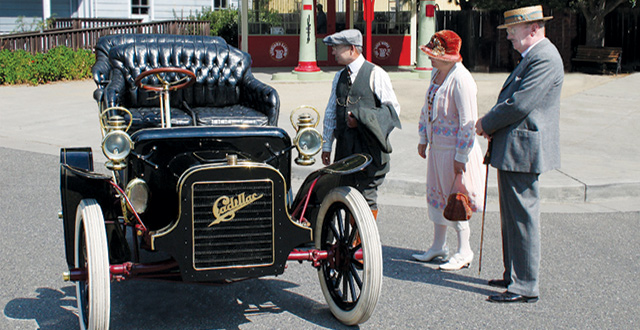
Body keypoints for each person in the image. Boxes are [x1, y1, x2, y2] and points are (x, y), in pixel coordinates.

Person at [475, 5, 563, 303]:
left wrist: (486, 123)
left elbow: (520, 104)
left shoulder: (545, 58)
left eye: (513, 31)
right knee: (512, 217)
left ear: (533, 28)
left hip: (523, 150)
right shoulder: (534, 56)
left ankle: (524, 285)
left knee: (522, 217)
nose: (509, 36)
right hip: (515, 148)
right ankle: (514, 273)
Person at [410, 30, 485, 271]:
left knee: (456, 198)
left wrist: (461, 156)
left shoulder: (461, 79)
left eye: (433, 54)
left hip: (454, 151)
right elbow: (426, 109)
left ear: (448, 56)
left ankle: (464, 250)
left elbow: (468, 121)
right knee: (437, 196)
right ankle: (438, 245)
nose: (429, 58)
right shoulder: (436, 73)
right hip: (437, 148)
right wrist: (423, 137)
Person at [321, 29, 401, 219]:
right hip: (345, 151)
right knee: (344, 197)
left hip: (369, 151)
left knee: (367, 199)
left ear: (351, 49)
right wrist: (326, 145)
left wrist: (362, 119)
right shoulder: (339, 76)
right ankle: (348, 244)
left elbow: (393, 110)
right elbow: (331, 111)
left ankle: (363, 244)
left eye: (336, 48)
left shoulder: (376, 74)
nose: (332, 52)